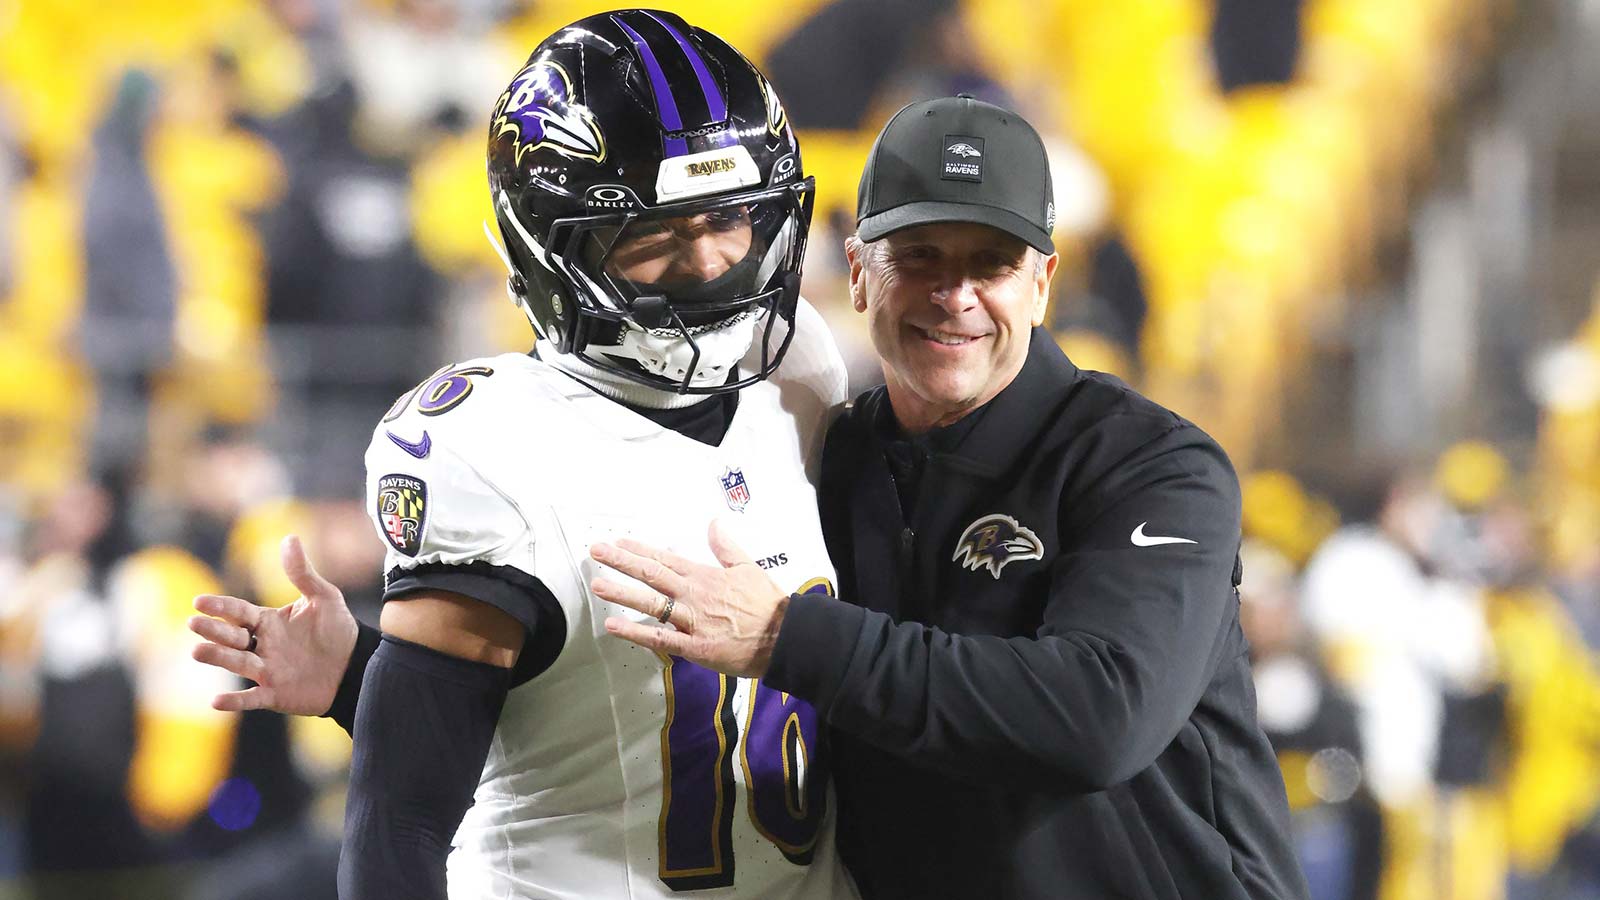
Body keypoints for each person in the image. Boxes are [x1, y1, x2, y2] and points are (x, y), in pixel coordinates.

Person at [192, 11, 857, 899]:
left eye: (730, 218)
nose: (709, 264)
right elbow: (402, 822)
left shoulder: (803, 386)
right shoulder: (497, 447)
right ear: (549, 250)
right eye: (654, 232)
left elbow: (628, 731)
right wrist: (385, 693)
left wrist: (362, 684)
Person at [590, 95, 1311, 899]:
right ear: (860, 275)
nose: (955, 293)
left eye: (992, 263)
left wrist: (789, 638)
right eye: (921, 255)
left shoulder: (1154, 463)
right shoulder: (831, 457)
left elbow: (1098, 718)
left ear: (1042, 284)